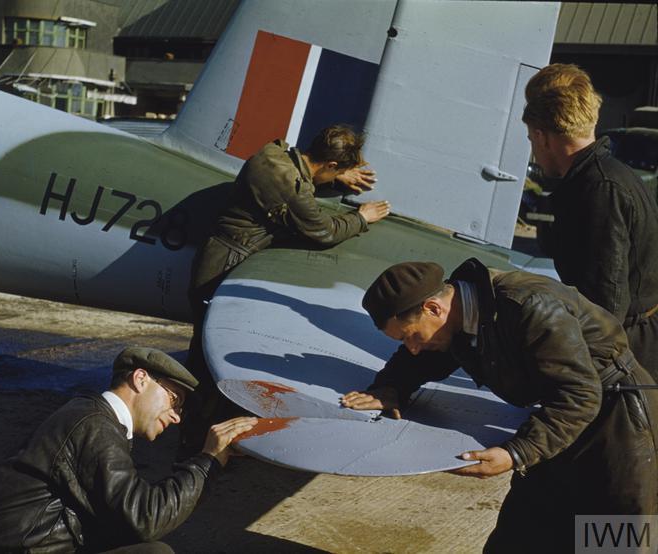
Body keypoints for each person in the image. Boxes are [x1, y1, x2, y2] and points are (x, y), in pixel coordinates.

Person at [341, 258, 658, 553]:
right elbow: (423, 358)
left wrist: (515, 453)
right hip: (559, 415)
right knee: (523, 533)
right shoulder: (460, 315)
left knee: (616, 537)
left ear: (433, 308)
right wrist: (391, 388)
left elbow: (580, 394)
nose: (412, 348)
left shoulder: (529, 306)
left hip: (618, 420)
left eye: (411, 336)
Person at [184, 125, 390, 442]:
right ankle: (196, 442)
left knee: (212, 358)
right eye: (341, 169)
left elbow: (298, 184)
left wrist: (335, 178)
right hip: (226, 263)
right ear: (331, 164)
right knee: (208, 363)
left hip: (224, 252)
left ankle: (211, 432)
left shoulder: (275, 153)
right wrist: (361, 218)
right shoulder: (290, 185)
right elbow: (324, 231)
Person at [0, 346, 257, 554]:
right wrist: (207, 461)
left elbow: (126, 517)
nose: (177, 416)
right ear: (140, 379)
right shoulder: (94, 425)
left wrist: (216, 459)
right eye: (173, 399)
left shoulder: (95, 418)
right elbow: (145, 516)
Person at [522, 63, 658, 380]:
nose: (532, 148)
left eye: (530, 138)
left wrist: (585, 380)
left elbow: (606, 301)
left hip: (628, 354)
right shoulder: (599, 177)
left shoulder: (599, 189)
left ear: (542, 137)